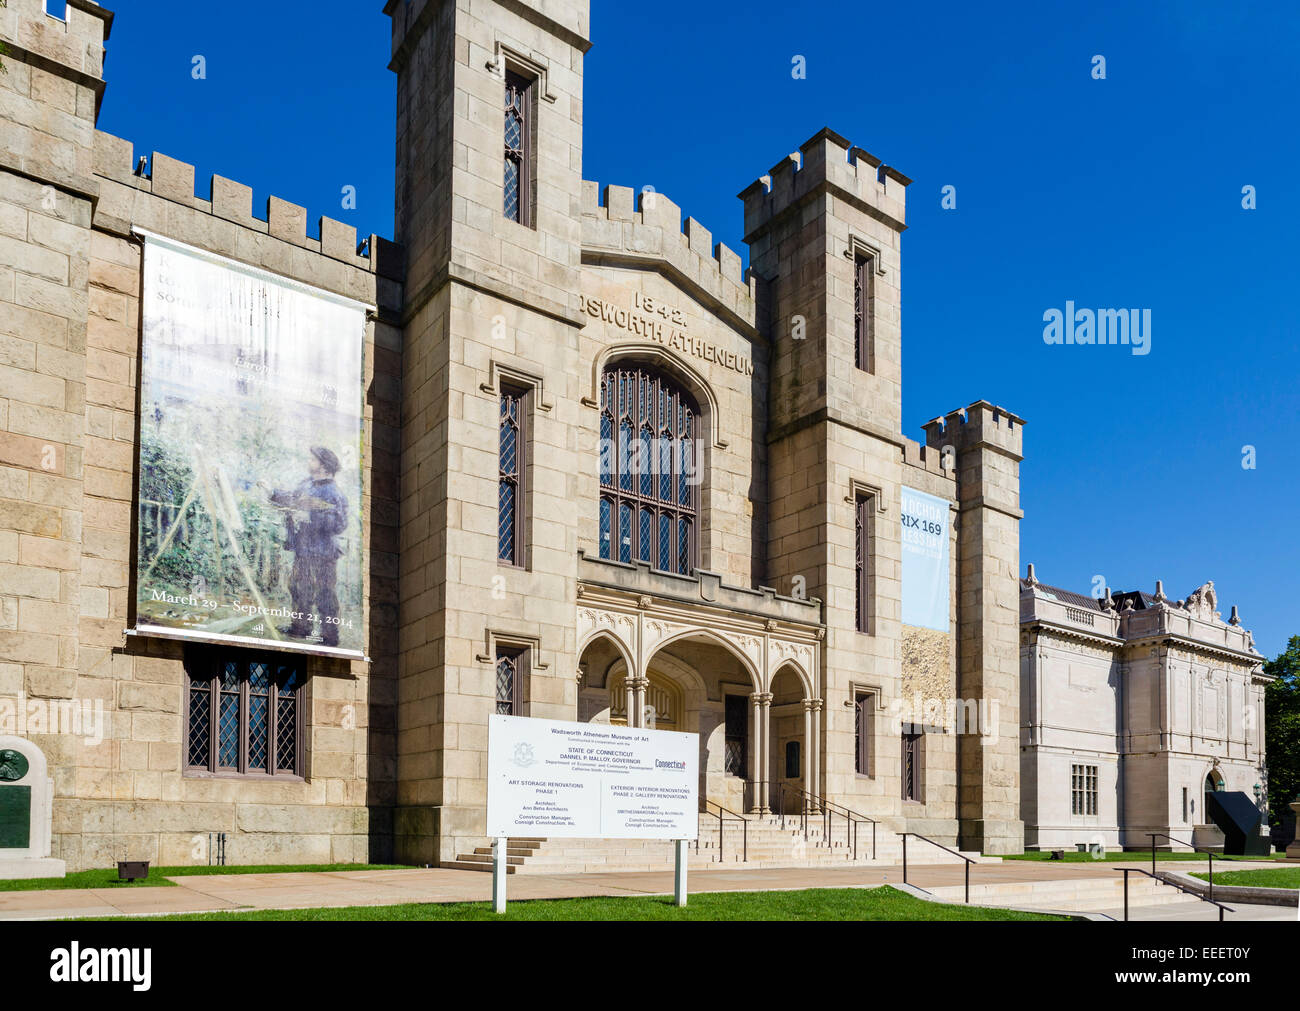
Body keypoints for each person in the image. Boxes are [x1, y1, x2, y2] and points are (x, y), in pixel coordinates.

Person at [258, 446, 348, 647]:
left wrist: (309, 517)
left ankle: (329, 637)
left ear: (323, 466)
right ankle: (300, 628)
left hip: (324, 553)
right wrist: (271, 492)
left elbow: (340, 524)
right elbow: (292, 499)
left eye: (312, 460)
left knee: (325, 595)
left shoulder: (333, 492)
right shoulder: (307, 484)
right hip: (304, 550)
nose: (308, 462)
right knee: (298, 588)